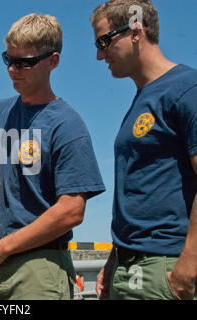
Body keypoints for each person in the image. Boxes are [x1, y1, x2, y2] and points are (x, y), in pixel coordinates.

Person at [0, 13, 105, 300]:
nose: (13, 70)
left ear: (53, 61)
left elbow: (71, 210)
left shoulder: (67, 125)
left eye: (24, 63)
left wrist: (3, 248)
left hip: (40, 267)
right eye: (8, 60)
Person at [91, 0, 197, 300]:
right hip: (129, 265)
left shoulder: (187, 89)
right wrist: (114, 260)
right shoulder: (142, 100)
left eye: (104, 41)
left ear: (136, 31)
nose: (100, 55)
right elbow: (143, 193)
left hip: (165, 268)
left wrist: (186, 270)